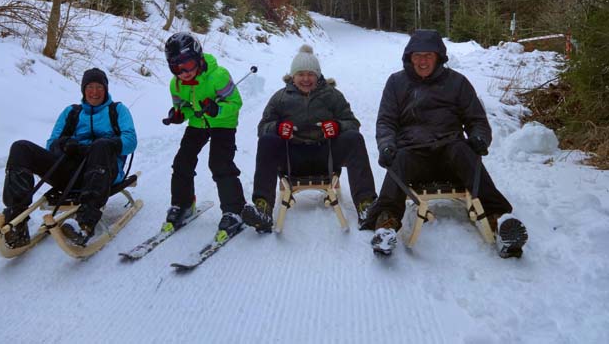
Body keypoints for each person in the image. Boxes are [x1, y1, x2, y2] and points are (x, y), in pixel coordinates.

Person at [365, 30, 528, 257]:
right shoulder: (396, 83)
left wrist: (480, 138)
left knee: (464, 151)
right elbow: (386, 122)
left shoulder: (457, 83)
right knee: (398, 160)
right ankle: (387, 227)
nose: (422, 61)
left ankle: (500, 221)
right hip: (413, 153)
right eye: (417, 56)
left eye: (428, 55)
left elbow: (476, 120)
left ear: (439, 57)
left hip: (449, 152)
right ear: (409, 58)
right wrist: (386, 145)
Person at [241, 44, 378, 232]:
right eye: (301, 74)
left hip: (326, 156)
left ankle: (366, 205)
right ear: (293, 76)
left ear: (318, 75)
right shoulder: (280, 98)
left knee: (354, 138)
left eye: (311, 74)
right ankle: (263, 208)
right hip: (292, 159)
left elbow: (352, 123)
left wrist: (338, 127)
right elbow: (262, 128)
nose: (306, 79)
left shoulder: (332, 95)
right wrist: (278, 128)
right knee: (267, 141)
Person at [0, 68, 137, 248]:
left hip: (104, 170)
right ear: (83, 90)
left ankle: (85, 223)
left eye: (99, 87)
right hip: (71, 172)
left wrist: (105, 145)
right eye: (90, 87)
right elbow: (52, 143)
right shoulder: (72, 112)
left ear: (106, 89)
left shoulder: (117, 110)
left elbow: (130, 140)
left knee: (101, 145)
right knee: (21, 148)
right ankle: (16, 219)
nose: (94, 92)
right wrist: (65, 144)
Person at [162, 32, 246, 239]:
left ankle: (234, 210)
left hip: (223, 124)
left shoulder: (219, 76)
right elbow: (185, 108)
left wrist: (217, 109)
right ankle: (183, 204)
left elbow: (235, 104)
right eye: (176, 67)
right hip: (198, 124)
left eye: (187, 64)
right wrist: (178, 115)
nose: (183, 72)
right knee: (182, 161)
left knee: (219, 163)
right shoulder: (176, 84)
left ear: (198, 57)